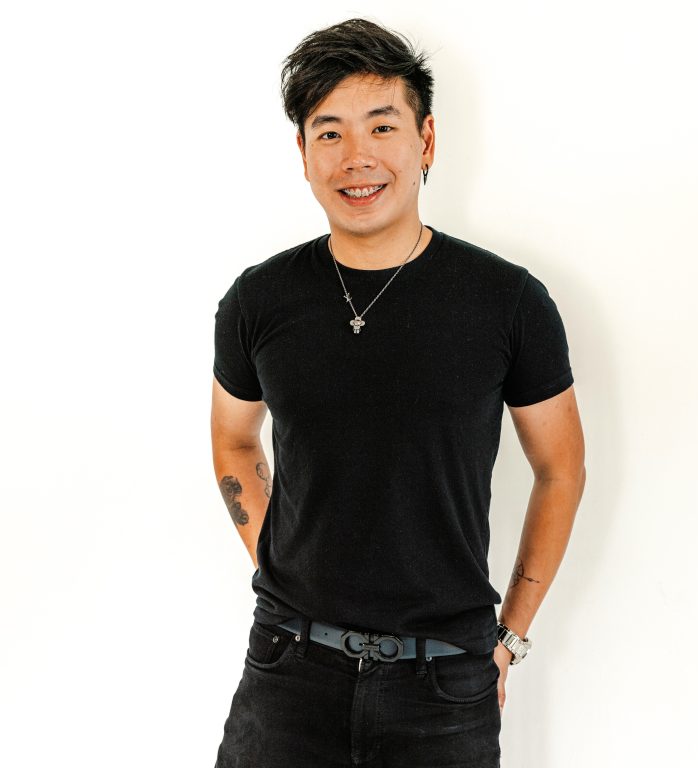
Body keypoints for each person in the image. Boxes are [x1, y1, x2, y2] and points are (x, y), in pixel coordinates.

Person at [210, 17, 586, 768]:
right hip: (286, 669)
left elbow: (561, 469)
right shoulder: (259, 300)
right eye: (330, 133)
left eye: (382, 127)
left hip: (444, 682)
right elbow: (234, 437)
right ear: (303, 152)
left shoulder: (508, 302)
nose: (358, 157)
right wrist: (276, 556)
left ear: (426, 141)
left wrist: (510, 637)